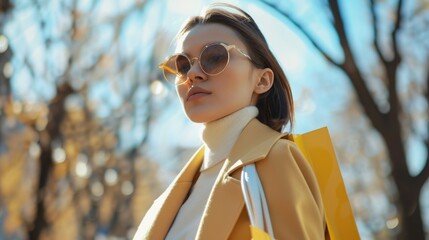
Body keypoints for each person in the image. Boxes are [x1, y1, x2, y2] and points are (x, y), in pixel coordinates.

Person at [134, 3, 326, 240]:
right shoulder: (167, 200)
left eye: (214, 57)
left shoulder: (276, 158)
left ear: (262, 81)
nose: (192, 73)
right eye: (183, 65)